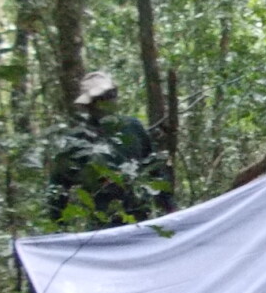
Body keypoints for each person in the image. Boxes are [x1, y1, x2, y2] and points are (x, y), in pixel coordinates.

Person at [48, 71, 175, 228]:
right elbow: (58, 189)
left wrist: (171, 210)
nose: (107, 101)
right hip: (101, 226)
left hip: (139, 219)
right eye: (100, 98)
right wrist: (58, 228)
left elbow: (155, 171)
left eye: (110, 95)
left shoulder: (133, 127)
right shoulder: (78, 139)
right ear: (89, 104)